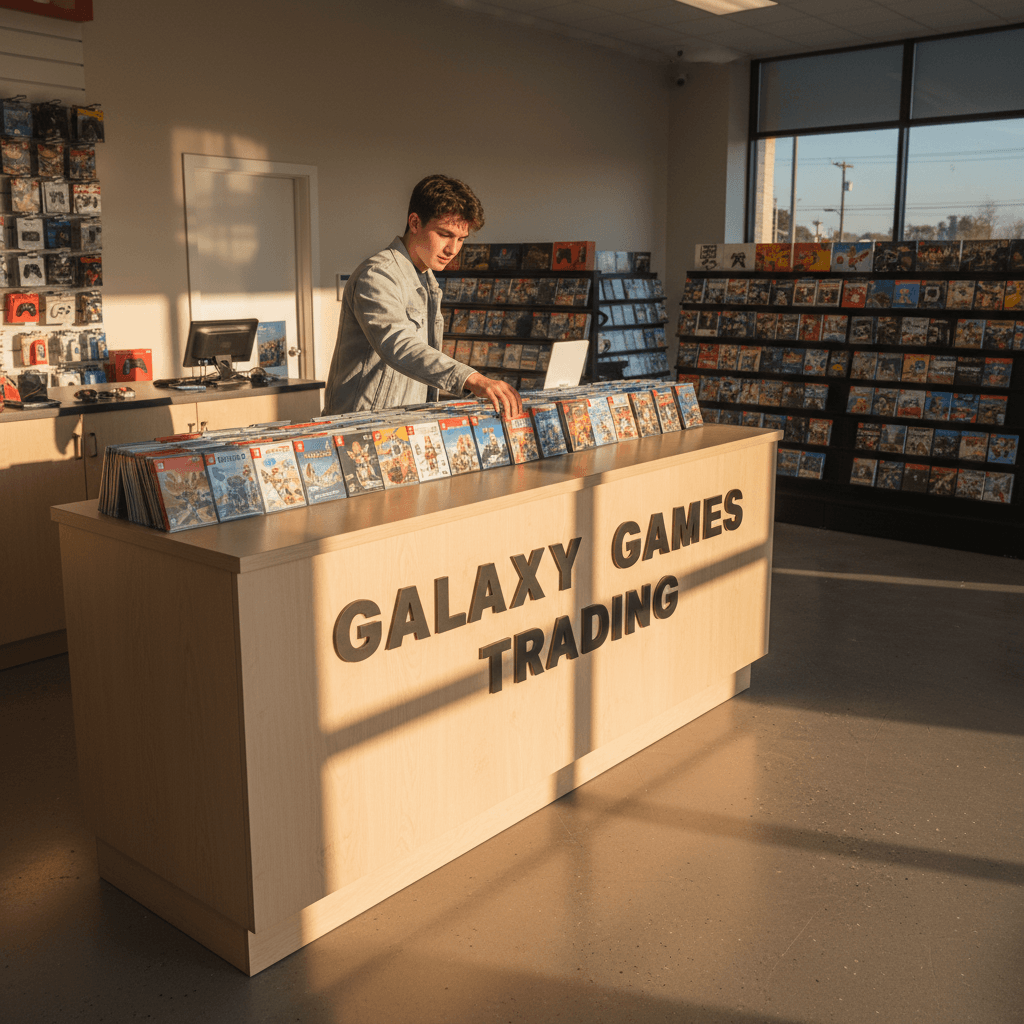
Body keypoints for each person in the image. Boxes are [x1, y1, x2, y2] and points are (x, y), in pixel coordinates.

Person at [323, 174, 522, 420]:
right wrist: (471, 378)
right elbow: (398, 344)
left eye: (461, 239)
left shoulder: (427, 279)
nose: (453, 249)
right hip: (363, 426)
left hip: (403, 423)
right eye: (444, 234)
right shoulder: (377, 274)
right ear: (415, 223)